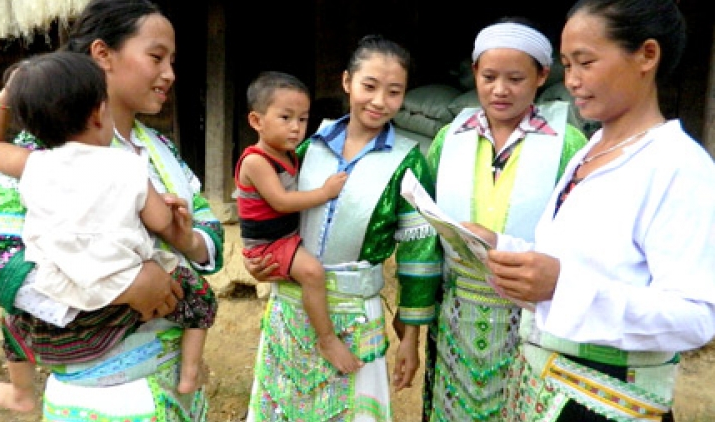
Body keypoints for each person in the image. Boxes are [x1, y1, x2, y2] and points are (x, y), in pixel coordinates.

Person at [0, 0, 224, 420]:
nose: (170, 74)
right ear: (103, 54)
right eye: (156, 57)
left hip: (176, 393)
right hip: (100, 398)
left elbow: (210, 233)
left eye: (173, 61)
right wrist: (128, 285)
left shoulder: (161, 152)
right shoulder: (39, 153)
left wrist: (189, 240)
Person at [463, 0, 715, 420]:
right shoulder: (593, 148)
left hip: (607, 403)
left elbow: (695, 317)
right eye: (567, 65)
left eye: (585, 63)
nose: (573, 81)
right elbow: (584, 259)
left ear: (646, 56)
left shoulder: (679, 167)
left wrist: (562, 289)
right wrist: (502, 247)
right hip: (542, 393)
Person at [244, 35, 443, 421]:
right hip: (292, 304)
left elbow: (419, 251)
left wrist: (410, 335)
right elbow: (268, 210)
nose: (379, 101)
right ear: (347, 82)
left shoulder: (408, 162)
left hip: (357, 314)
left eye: (394, 91)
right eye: (369, 86)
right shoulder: (305, 146)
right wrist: (259, 257)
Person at [419, 17, 587, 422]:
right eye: (489, 76)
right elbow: (424, 224)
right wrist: (415, 308)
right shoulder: (450, 137)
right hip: (456, 310)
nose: (500, 89)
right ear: (474, 72)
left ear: (542, 76)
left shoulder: (567, 144)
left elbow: (578, 233)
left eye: (515, 78)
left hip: (527, 314)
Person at [235, 71, 361, 373]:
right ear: (256, 121)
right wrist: (325, 192)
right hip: (266, 245)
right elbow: (281, 201)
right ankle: (327, 339)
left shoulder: (290, 154)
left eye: (302, 119)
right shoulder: (256, 160)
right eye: (285, 118)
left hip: (285, 237)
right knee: (313, 272)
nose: (296, 128)